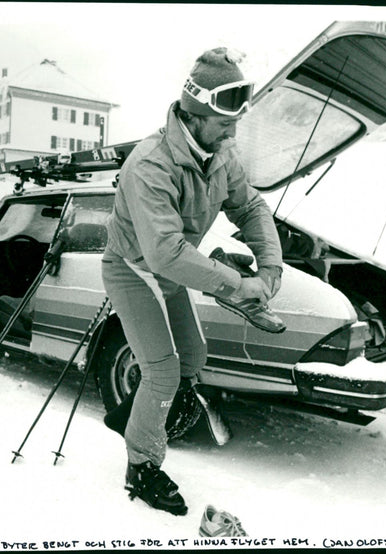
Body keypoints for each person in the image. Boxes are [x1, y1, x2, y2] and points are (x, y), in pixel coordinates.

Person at [101, 48, 284, 516]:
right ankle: (141, 465)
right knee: (162, 368)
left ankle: (142, 414)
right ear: (196, 114)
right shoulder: (151, 163)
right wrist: (238, 286)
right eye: (226, 122)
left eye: (237, 122)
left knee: (194, 357)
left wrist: (270, 268)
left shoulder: (221, 153)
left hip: (172, 266)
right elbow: (163, 251)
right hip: (133, 266)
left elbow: (251, 207)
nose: (233, 131)